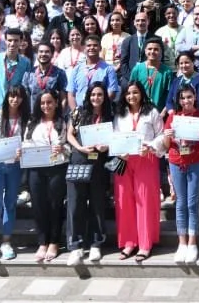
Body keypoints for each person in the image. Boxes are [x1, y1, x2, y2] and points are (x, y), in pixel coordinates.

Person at [113, 82, 165, 261]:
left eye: (135, 93)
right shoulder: (120, 114)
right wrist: (120, 151)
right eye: (128, 93)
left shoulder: (152, 112)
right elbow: (115, 136)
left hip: (146, 159)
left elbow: (162, 135)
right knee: (124, 200)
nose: (131, 96)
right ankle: (129, 242)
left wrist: (150, 146)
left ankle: (145, 243)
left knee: (145, 201)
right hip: (125, 161)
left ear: (141, 94)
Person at [161, 84, 199, 264]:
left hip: (196, 162)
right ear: (179, 99)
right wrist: (168, 134)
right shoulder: (173, 116)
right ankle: (181, 243)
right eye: (183, 98)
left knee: (192, 202)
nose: (186, 101)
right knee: (180, 203)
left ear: (195, 97)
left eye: (189, 97)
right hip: (176, 162)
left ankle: (192, 243)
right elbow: (166, 145)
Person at [65, 83, 115, 265]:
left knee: (98, 204)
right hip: (79, 159)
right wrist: (80, 147)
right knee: (75, 203)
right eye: (93, 94)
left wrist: (107, 146)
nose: (96, 98)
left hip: (99, 163)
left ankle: (96, 244)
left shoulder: (110, 114)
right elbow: (69, 135)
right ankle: (75, 246)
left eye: (100, 94)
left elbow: (114, 138)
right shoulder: (78, 112)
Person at [0, 86, 29, 262]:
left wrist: (22, 151)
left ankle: (6, 241)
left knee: (10, 203)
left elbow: (28, 141)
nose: (14, 100)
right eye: (11, 96)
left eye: (18, 97)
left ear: (23, 100)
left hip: (15, 165)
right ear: (6, 97)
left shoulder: (26, 119)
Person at [24, 89, 68, 262]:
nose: (46, 106)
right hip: (36, 168)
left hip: (57, 167)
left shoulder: (62, 122)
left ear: (56, 103)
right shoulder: (32, 122)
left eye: (49, 102)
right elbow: (26, 143)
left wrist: (63, 148)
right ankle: (42, 241)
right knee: (39, 205)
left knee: (55, 205)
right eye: (43, 103)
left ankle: (54, 242)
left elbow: (70, 146)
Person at [0, 28, 33, 114]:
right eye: (9, 40)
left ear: (21, 41)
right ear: (5, 41)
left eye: (16, 40)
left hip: (16, 108)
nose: (12, 44)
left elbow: (25, 87)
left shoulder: (26, 62)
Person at [68, 34, 120, 110]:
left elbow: (112, 93)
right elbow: (71, 94)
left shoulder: (109, 69)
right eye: (89, 46)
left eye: (95, 45)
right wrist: (75, 112)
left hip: (100, 112)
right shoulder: (76, 69)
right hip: (80, 111)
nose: (92, 48)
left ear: (100, 48)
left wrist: (97, 107)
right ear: (84, 49)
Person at [129, 39, 175, 111]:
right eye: (149, 49)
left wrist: (164, 112)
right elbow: (131, 91)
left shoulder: (167, 71)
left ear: (161, 52)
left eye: (156, 49)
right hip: (140, 110)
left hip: (159, 112)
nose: (152, 51)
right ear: (145, 50)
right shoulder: (137, 69)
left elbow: (170, 95)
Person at [28, 37, 69, 108]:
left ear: (52, 54)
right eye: (41, 51)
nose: (43, 54)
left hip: (52, 115)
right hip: (33, 115)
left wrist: (60, 115)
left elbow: (63, 98)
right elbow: (25, 96)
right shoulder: (29, 73)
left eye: (47, 52)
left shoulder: (60, 73)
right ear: (37, 54)